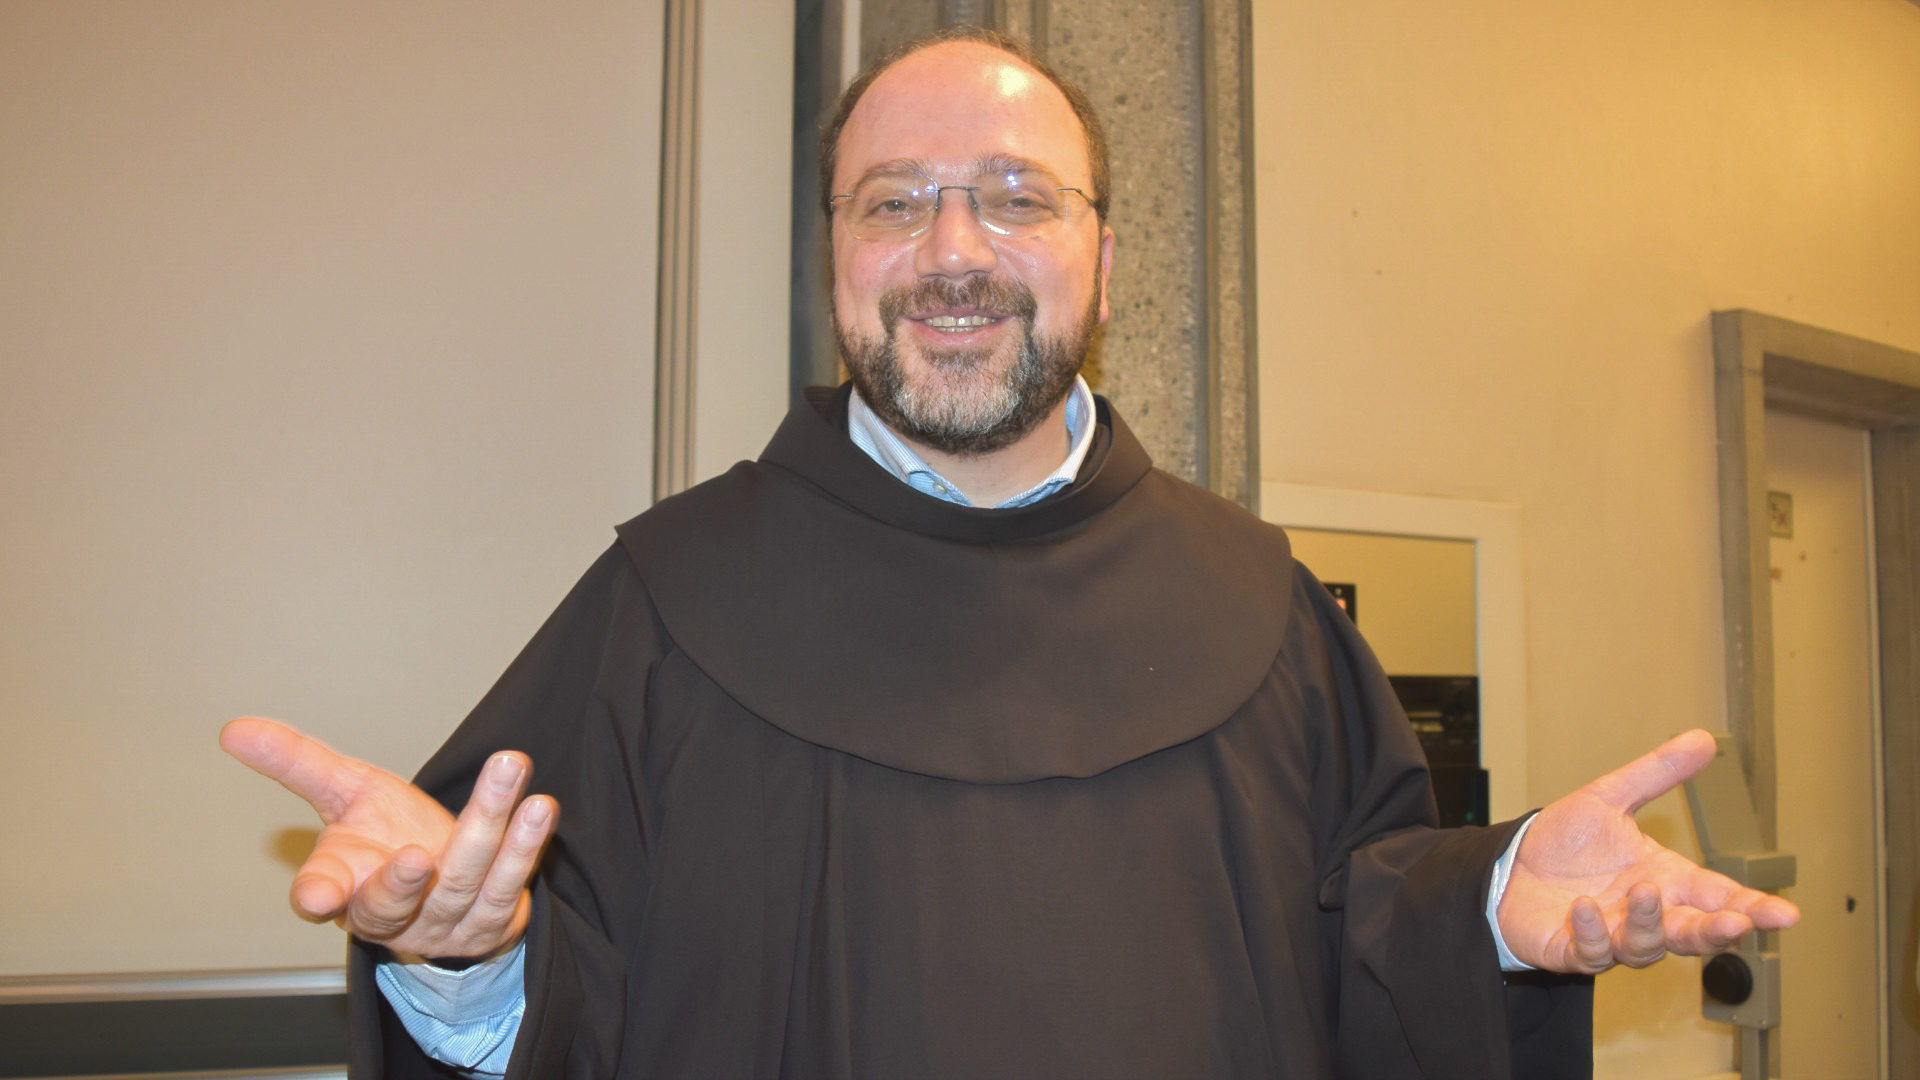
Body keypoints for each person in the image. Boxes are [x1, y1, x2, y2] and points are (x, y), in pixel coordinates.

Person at [222, 26, 1799, 1079]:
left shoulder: (1257, 602)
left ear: (1102, 258)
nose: (954, 252)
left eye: (1014, 199)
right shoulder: (665, 601)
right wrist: (459, 971)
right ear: (835, 259)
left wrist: (1499, 902)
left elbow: (1360, 929)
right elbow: (557, 992)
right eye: (894, 202)